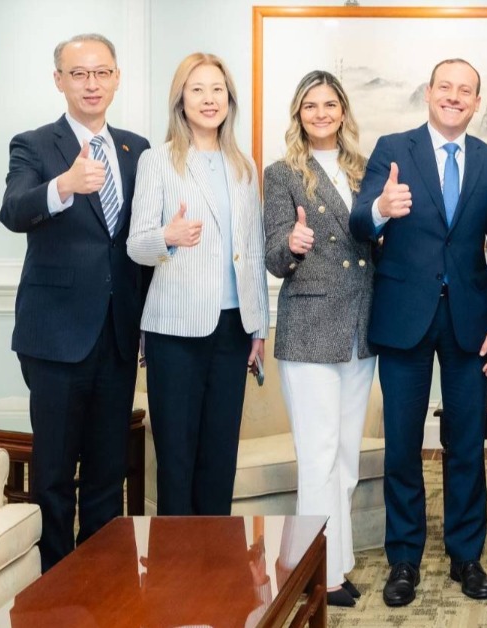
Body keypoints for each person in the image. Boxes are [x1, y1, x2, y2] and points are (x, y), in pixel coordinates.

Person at [349, 58, 487, 607]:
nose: (454, 96)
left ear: (476, 101)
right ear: (428, 92)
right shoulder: (392, 149)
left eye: (465, 90)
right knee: (402, 444)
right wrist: (381, 208)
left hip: (471, 323)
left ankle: (466, 555)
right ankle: (404, 558)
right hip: (404, 317)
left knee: (466, 443)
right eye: (445, 87)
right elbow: (358, 221)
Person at [0, 33, 151, 572]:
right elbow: (13, 210)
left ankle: (101, 580)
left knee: (108, 472)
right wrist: (63, 185)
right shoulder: (34, 144)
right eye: (79, 73)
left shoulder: (137, 148)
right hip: (56, 338)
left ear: (116, 78)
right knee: (55, 475)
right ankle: (56, 584)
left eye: (102, 72)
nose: (92, 83)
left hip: (118, 335)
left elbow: (137, 243)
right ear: (59, 80)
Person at [127, 52, 269, 516]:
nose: (209, 99)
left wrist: (258, 328)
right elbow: (136, 245)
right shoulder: (157, 160)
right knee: (177, 459)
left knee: (219, 458)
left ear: (229, 99)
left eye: (217, 90)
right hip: (174, 332)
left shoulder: (244, 165)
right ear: (180, 100)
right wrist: (166, 237)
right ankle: (175, 560)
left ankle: (215, 558)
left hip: (233, 329)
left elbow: (253, 252)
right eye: (197, 90)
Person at [263, 70, 373, 607]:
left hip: (360, 327)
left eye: (330, 104)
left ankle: (337, 563)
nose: (321, 113)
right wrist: (292, 242)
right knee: (318, 454)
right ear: (299, 114)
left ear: (343, 111)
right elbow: (271, 255)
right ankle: (317, 575)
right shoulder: (281, 173)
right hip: (309, 328)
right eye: (311, 105)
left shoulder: (366, 171)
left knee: (346, 456)